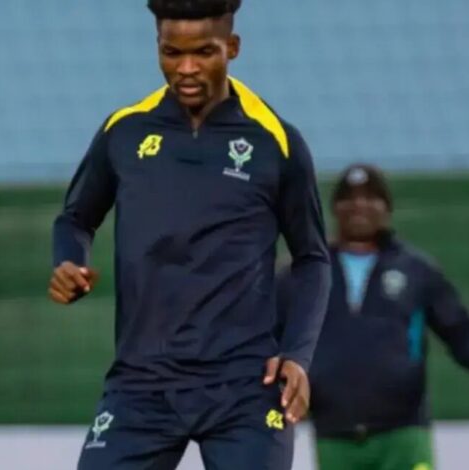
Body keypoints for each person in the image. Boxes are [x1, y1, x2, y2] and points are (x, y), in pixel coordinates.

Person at [49, 1, 332, 468]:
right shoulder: (125, 131)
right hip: (141, 383)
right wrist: (68, 261)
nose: (186, 69)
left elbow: (313, 259)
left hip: (245, 386)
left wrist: (297, 355)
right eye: (171, 53)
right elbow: (75, 219)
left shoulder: (274, 141)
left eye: (203, 52)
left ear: (232, 48)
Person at [279, 164, 469, 470]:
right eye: (349, 198)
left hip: (404, 434)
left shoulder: (415, 270)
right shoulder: (305, 272)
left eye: (371, 197)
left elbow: (460, 330)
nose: (359, 205)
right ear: (335, 208)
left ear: (387, 209)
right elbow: (268, 335)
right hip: (334, 435)